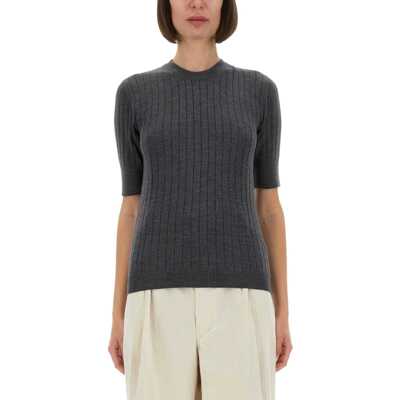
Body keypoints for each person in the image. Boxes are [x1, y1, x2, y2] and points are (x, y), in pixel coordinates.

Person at [108, 1, 292, 399]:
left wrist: (282, 312)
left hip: (241, 293)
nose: (196, 3)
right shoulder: (134, 94)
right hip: (155, 293)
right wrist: (117, 313)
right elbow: (131, 209)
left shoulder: (259, 91)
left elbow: (269, 209)